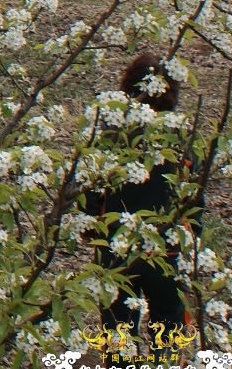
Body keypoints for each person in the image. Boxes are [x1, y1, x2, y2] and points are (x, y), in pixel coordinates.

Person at [88, 53, 206, 339]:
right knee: (169, 324)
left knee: (117, 328)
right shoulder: (183, 141)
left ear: (127, 87)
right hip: (167, 251)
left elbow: (91, 189)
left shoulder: (111, 135)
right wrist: (193, 245)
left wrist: (92, 226)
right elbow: (194, 202)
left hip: (117, 247)